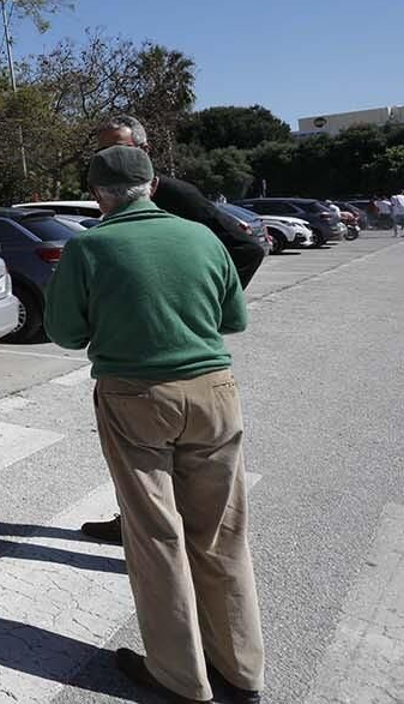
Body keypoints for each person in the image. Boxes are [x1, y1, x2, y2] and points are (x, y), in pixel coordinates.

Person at [45, 145, 263, 704]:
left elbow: (66, 334)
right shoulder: (203, 237)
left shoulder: (89, 246)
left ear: (99, 195)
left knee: (156, 536)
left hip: (135, 395)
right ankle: (241, 671)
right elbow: (232, 318)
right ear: (153, 185)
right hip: (214, 391)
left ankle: (179, 675)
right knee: (221, 533)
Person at [82, 115, 266, 544]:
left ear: (144, 153)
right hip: (131, 365)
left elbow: (246, 248)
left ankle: (166, 539)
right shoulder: (109, 200)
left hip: (183, 366)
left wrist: (201, 309)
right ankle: (134, 520)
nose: (111, 159)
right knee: (143, 471)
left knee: (188, 473)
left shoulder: (178, 196)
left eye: (120, 149)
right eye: (103, 152)